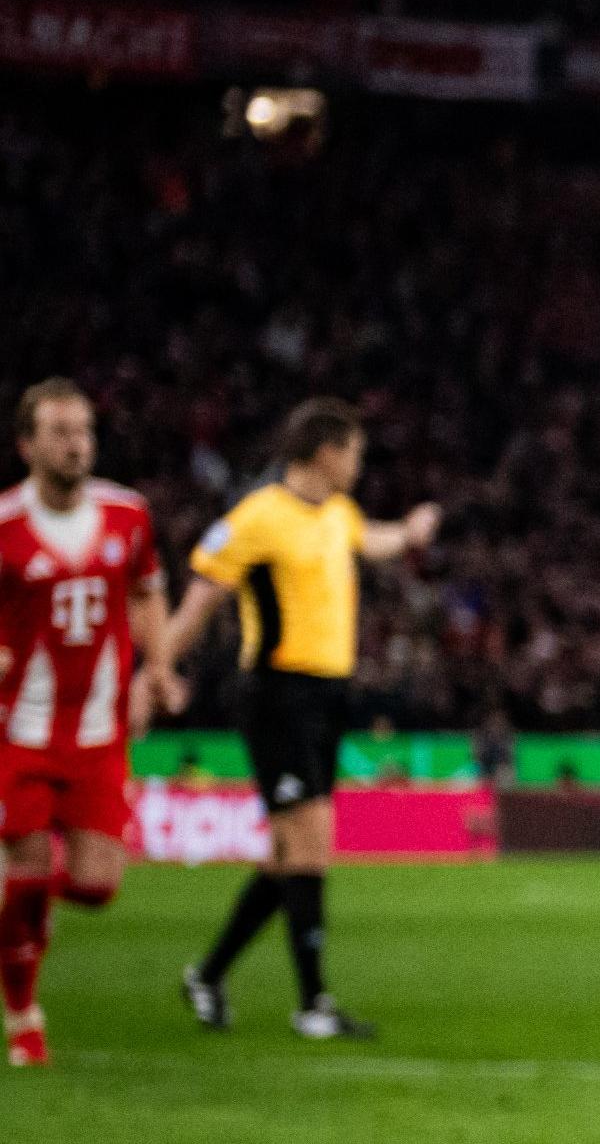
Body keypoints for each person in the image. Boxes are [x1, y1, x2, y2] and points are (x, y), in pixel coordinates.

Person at [156, 395, 437, 1040]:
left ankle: (210, 973)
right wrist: (157, 668)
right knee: (309, 842)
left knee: (294, 854)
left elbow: (376, 540)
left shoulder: (338, 514)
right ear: (326, 452)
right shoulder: (258, 517)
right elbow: (201, 600)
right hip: (277, 693)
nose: (360, 466)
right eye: (356, 454)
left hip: (328, 696)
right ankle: (312, 1004)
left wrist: (414, 530)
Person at [0, 381, 166, 1066]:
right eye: (61, 430)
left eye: (84, 430)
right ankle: (25, 1021)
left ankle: (17, 898)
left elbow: (148, 590)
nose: (76, 443)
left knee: (97, 885)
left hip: (100, 734)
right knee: (32, 868)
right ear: (28, 443)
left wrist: (156, 670)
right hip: (22, 735)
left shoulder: (128, 514)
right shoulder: (4, 525)